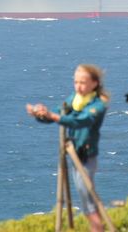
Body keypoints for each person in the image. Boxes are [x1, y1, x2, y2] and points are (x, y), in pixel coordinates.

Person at [26, 64, 109, 232]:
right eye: (76, 82)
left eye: (83, 83)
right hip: (74, 154)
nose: (78, 86)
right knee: (86, 201)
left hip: (86, 157)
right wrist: (41, 114)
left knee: (89, 202)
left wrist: (54, 116)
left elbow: (79, 121)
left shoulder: (97, 105)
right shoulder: (75, 100)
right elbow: (59, 114)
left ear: (94, 83)